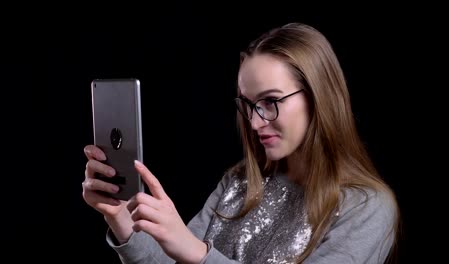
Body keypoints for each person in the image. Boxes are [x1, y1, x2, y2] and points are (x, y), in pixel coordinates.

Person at [82, 22, 400, 264]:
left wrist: (200, 253)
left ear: (319, 99)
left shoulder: (365, 207)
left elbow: (194, 255)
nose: (254, 121)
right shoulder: (239, 182)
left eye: (271, 101)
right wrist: (121, 217)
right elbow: (177, 260)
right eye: (247, 104)